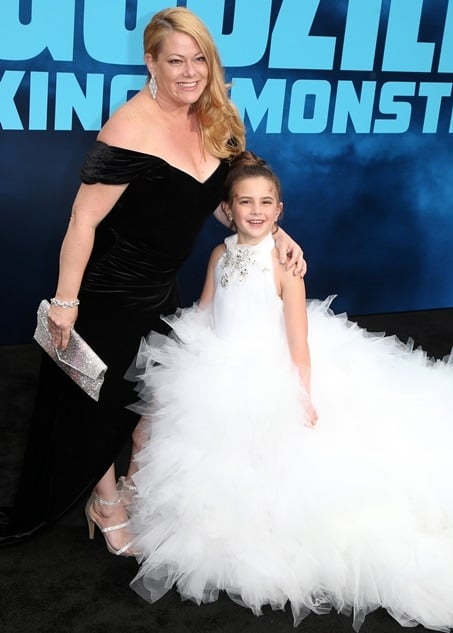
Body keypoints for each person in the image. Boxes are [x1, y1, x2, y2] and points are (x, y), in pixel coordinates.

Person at [126, 152, 453, 632]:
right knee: (204, 451)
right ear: (229, 207)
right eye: (245, 203)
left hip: (271, 369)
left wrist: (302, 393)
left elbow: (298, 340)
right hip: (220, 364)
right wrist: (184, 356)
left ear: (281, 209)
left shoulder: (285, 267)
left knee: (284, 457)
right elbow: (203, 309)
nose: (256, 211)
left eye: (266, 202)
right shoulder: (221, 255)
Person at [0, 7, 305, 554]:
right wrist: (65, 302)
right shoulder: (129, 126)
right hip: (108, 291)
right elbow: (83, 220)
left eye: (199, 61)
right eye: (175, 61)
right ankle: (106, 500)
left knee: (150, 400)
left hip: (162, 287)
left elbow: (214, 197)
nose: (189, 73)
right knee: (92, 402)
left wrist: (274, 233)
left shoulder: (214, 114)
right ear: (151, 63)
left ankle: (136, 486)